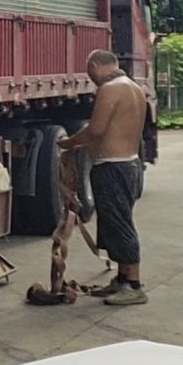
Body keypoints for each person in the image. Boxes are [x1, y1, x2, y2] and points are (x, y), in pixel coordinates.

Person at [59, 51, 149, 305]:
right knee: (114, 223)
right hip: (128, 163)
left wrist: (68, 143)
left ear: (95, 65)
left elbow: (96, 130)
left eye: (90, 72)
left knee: (120, 224)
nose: (90, 78)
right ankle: (122, 279)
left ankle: (133, 285)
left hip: (113, 167)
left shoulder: (109, 89)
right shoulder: (133, 88)